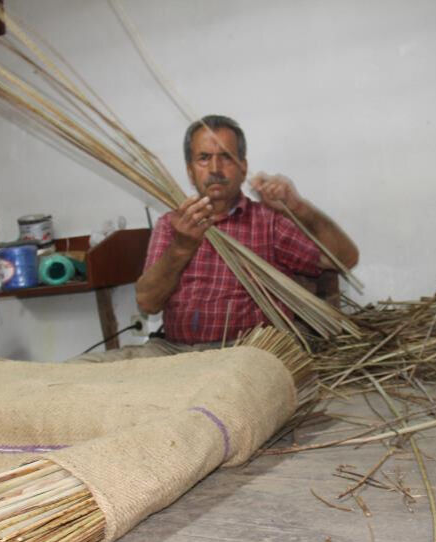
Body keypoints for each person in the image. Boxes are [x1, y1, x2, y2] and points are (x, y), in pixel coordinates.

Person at [72, 115, 358, 362]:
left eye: (226, 157)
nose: (215, 168)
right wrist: (182, 247)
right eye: (204, 158)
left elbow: (344, 260)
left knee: (229, 389)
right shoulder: (172, 224)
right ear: (190, 171)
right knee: (80, 370)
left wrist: (298, 207)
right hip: (174, 351)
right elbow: (147, 303)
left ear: (243, 167)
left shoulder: (268, 221)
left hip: (247, 353)